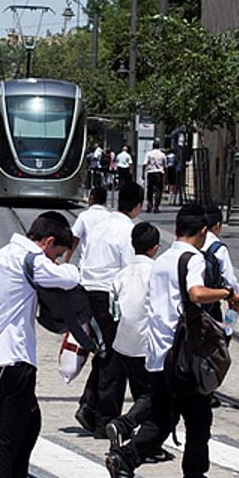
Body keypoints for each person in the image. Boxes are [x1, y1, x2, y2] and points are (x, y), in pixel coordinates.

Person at [105, 203, 239, 478]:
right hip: (183, 359)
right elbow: (195, 294)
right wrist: (227, 294)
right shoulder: (192, 258)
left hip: (158, 355)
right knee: (198, 422)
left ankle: (124, 459)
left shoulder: (164, 258)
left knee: (160, 421)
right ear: (203, 232)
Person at [0, 211, 79, 478]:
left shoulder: (4, 255)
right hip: (14, 358)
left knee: (29, 424)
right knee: (10, 438)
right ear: (48, 242)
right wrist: (66, 262)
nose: (56, 259)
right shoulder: (32, 259)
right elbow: (71, 278)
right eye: (56, 252)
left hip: (1, 356)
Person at [75, 182, 143, 436]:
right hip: (108, 297)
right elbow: (129, 268)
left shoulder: (101, 224)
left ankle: (89, 404)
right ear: (138, 206)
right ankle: (105, 419)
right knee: (115, 359)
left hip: (87, 293)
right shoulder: (128, 231)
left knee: (104, 353)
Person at [105, 221, 161, 448]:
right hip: (146, 343)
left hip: (124, 343)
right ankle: (124, 425)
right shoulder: (156, 273)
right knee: (154, 395)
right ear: (156, 248)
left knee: (140, 393)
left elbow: (113, 308)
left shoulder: (122, 274)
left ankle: (144, 443)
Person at [66, 185, 108, 266]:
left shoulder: (84, 216)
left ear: (91, 198)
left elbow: (75, 239)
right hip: (105, 265)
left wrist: (66, 260)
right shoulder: (110, 217)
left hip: (86, 265)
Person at [143, 142, 166, 213]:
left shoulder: (149, 154)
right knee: (159, 190)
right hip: (159, 173)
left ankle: (150, 206)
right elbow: (165, 165)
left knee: (150, 190)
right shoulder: (162, 154)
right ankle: (156, 207)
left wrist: (143, 173)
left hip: (151, 172)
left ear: (153, 146)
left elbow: (145, 164)